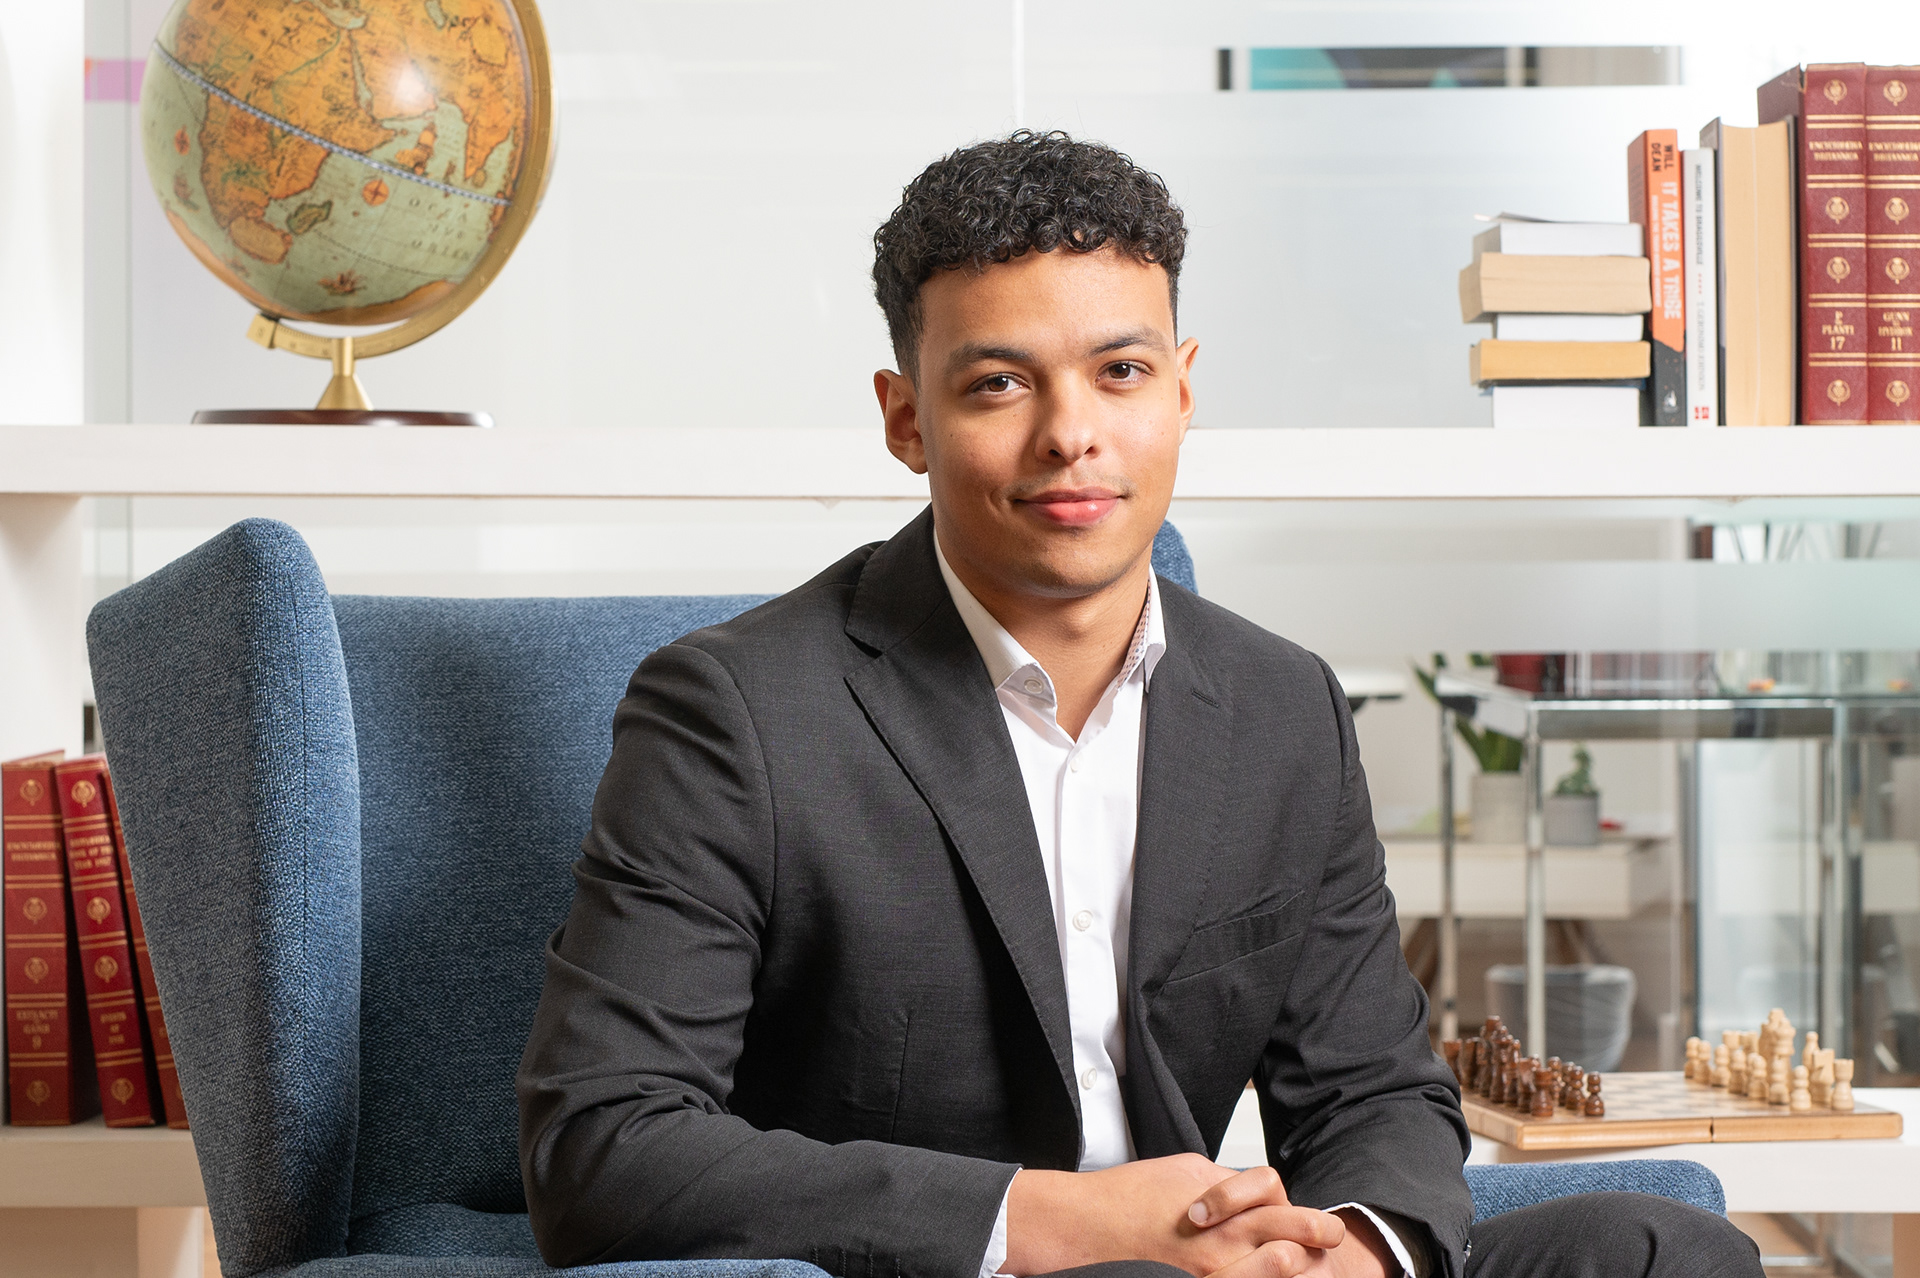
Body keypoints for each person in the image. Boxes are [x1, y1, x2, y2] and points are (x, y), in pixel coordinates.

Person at [517, 131, 1760, 1278]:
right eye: (1000, 385)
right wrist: (1060, 1220)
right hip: (976, 1267)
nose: (1073, 435)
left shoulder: (1282, 704)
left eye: (1121, 370)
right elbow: (604, 1145)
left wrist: (1360, 1250)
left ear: (1181, 388)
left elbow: (1374, 1093)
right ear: (907, 421)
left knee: (1664, 1249)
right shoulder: (736, 709)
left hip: (1231, 1262)